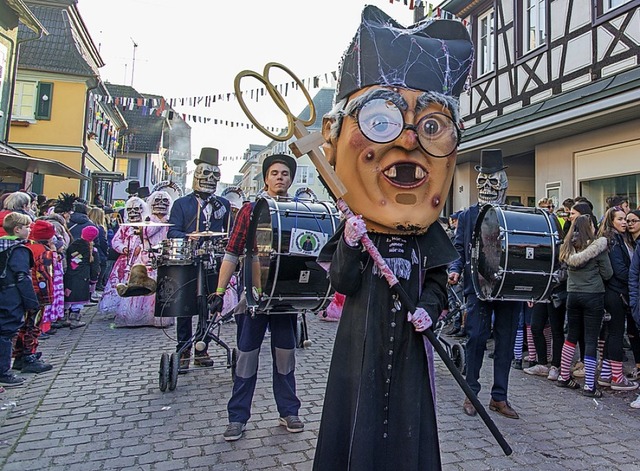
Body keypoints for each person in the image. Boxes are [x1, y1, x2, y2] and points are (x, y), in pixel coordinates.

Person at [310, 6, 473, 469]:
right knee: (356, 427)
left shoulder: (428, 235)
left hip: (410, 350)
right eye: (380, 120)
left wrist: (432, 310)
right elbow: (341, 283)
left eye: (431, 127)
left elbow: (440, 281)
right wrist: (348, 239)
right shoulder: (357, 231)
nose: (407, 142)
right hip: (358, 348)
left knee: (408, 432)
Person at [211, 154, 305, 442]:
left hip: (284, 297)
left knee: (285, 356)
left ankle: (288, 410)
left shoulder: (297, 209)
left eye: (285, 173)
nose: (280, 177)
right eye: (275, 173)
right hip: (252, 297)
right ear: (266, 178)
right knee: (246, 358)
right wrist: (219, 291)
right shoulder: (250, 211)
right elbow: (232, 251)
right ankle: (237, 417)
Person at [448, 149, 523, 420]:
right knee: (476, 338)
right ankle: (471, 393)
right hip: (477, 288)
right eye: (481, 182)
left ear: (504, 184)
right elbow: (458, 248)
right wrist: (455, 269)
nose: (486, 188)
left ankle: (499, 398)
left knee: (505, 344)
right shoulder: (468, 215)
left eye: (493, 182)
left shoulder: (514, 214)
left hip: (507, 290)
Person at [167, 147, 231, 369]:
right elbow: (171, 231)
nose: (210, 180)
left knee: (208, 306)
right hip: (187, 262)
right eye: (205, 174)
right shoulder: (181, 204)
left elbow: (227, 232)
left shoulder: (222, 204)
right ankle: (183, 349)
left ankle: (202, 347)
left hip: (212, 262)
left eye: (215, 175)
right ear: (195, 174)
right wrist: (188, 236)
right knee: (184, 307)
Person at [556, 215, 612, 397]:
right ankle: (589, 385)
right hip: (593, 295)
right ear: (591, 228)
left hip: (572, 295)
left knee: (571, 336)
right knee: (590, 339)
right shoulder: (597, 248)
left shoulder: (567, 247)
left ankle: (564, 376)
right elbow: (607, 273)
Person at [596, 207, 638, 390]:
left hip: (619, 291)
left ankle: (606, 374)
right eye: (620, 219)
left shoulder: (622, 239)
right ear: (611, 221)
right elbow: (619, 270)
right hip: (616, 293)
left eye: (626, 220)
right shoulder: (612, 241)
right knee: (615, 333)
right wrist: (634, 279)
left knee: (612, 332)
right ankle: (617, 377)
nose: (624, 223)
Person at [0, 212, 39, 388]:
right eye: (27, 227)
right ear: (17, 229)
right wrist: (31, 302)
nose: (30, 230)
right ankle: (4, 372)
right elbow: (22, 277)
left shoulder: (2, 245)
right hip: (11, 295)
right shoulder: (19, 250)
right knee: (7, 333)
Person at [12, 219, 56, 374]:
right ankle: (29, 356)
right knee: (33, 325)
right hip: (37, 294)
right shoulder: (43, 251)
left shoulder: (26, 247)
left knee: (23, 325)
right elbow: (44, 276)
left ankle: (19, 355)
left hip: (24, 293)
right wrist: (47, 298)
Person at [64, 226, 100, 329]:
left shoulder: (72, 246)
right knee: (78, 299)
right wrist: (93, 281)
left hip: (69, 275)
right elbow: (95, 268)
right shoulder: (93, 251)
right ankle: (74, 319)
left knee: (68, 295)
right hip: (82, 277)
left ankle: (63, 317)